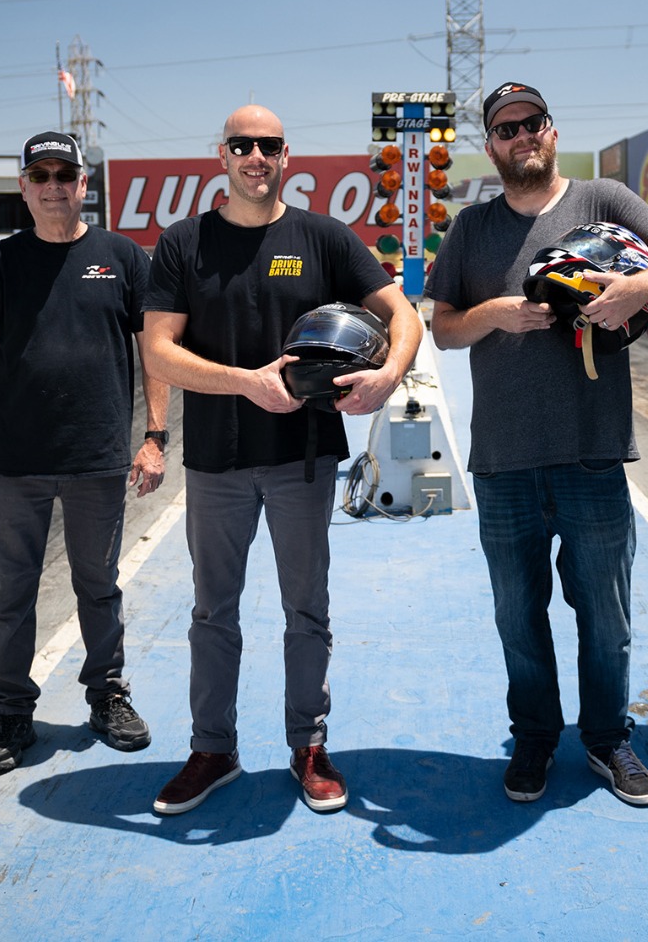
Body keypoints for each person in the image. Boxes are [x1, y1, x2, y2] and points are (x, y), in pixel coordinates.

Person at [425, 82, 648, 806]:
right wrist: (491, 312)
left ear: (552, 131)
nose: (522, 137)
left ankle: (608, 738)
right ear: (490, 145)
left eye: (533, 124)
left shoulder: (604, 199)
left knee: (606, 615)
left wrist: (635, 289)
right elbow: (442, 326)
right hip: (504, 460)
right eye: (506, 129)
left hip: (591, 453)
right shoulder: (472, 228)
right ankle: (537, 737)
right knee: (518, 617)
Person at [142, 105, 422, 815]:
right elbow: (158, 351)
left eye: (269, 145)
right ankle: (213, 750)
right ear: (223, 154)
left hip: (302, 460)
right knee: (213, 612)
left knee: (306, 609)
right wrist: (245, 383)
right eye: (243, 144)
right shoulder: (184, 244)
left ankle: (309, 744)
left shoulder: (322, 236)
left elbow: (404, 315)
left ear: (285, 155)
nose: (256, 156)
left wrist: (390, 375)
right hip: (216, 459)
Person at [0, 130, 169, 775]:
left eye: (64, 175)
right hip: (16, 462)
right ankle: (12, 710)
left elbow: (153, 351)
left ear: (82, 184)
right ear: (23, 186)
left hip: (97, 457)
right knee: (12, 591)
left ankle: (107, 695)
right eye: (39, 176)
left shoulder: (123, 257)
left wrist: (154, 437)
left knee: (98, 585)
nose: (53, 187)